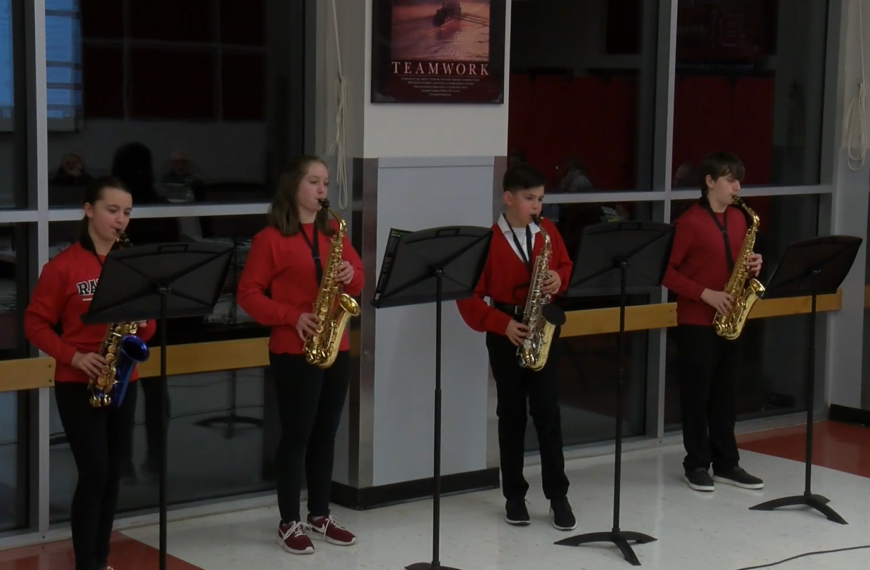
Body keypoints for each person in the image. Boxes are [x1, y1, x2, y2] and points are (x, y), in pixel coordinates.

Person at [24, 176, 156, 570]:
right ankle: (86, 562)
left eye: (127, 212)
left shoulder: (133, 263)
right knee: (95, 471)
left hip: (123, 379)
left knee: (113, 473)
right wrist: (74, 357)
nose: (121, 220)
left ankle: (101, 559)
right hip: (77, 381)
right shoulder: (62, 267)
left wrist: (145, 318)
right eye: (112, 211)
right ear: (88, 211)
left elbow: (146, 330)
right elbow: (34, 325)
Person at [237, 156, 363, 555]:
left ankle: (320, 514)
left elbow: (358, 278)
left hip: (335, 345)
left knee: (326, 434)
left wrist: (349, 275)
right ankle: (288, 520)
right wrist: (292, 317)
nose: (323, 190)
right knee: (297, 436)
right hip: (294, 349)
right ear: (293, 186)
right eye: (314, 182)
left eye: (325, 183)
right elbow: (248, 296)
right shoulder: (269, 239)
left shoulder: (334, 230)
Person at [456, 163, 576, 530]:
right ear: (508, 198)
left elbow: (566, 267)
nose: (536, 207)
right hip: (507, 329)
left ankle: (558, 495)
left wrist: (558, 277)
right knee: (511, 414)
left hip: (543, 328)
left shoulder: (548, 232)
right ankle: (514, 495)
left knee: (547, 413)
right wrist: (501, 324)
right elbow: (468, 297)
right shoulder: (487, 241)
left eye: (540, 199)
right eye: (529, 199)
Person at [662, 151, 765, 492]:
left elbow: (735, 262)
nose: (737, 186)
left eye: (738, 180)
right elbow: (666, 272)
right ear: (710, 182)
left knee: (726, 393)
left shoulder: (740, 219)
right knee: (696, 394)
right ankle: (696, 463)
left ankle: (727, 462)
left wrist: (752, 266)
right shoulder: (688, 223)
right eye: (730, 179)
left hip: (731, 318)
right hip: (696, 320)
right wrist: (704, 293)